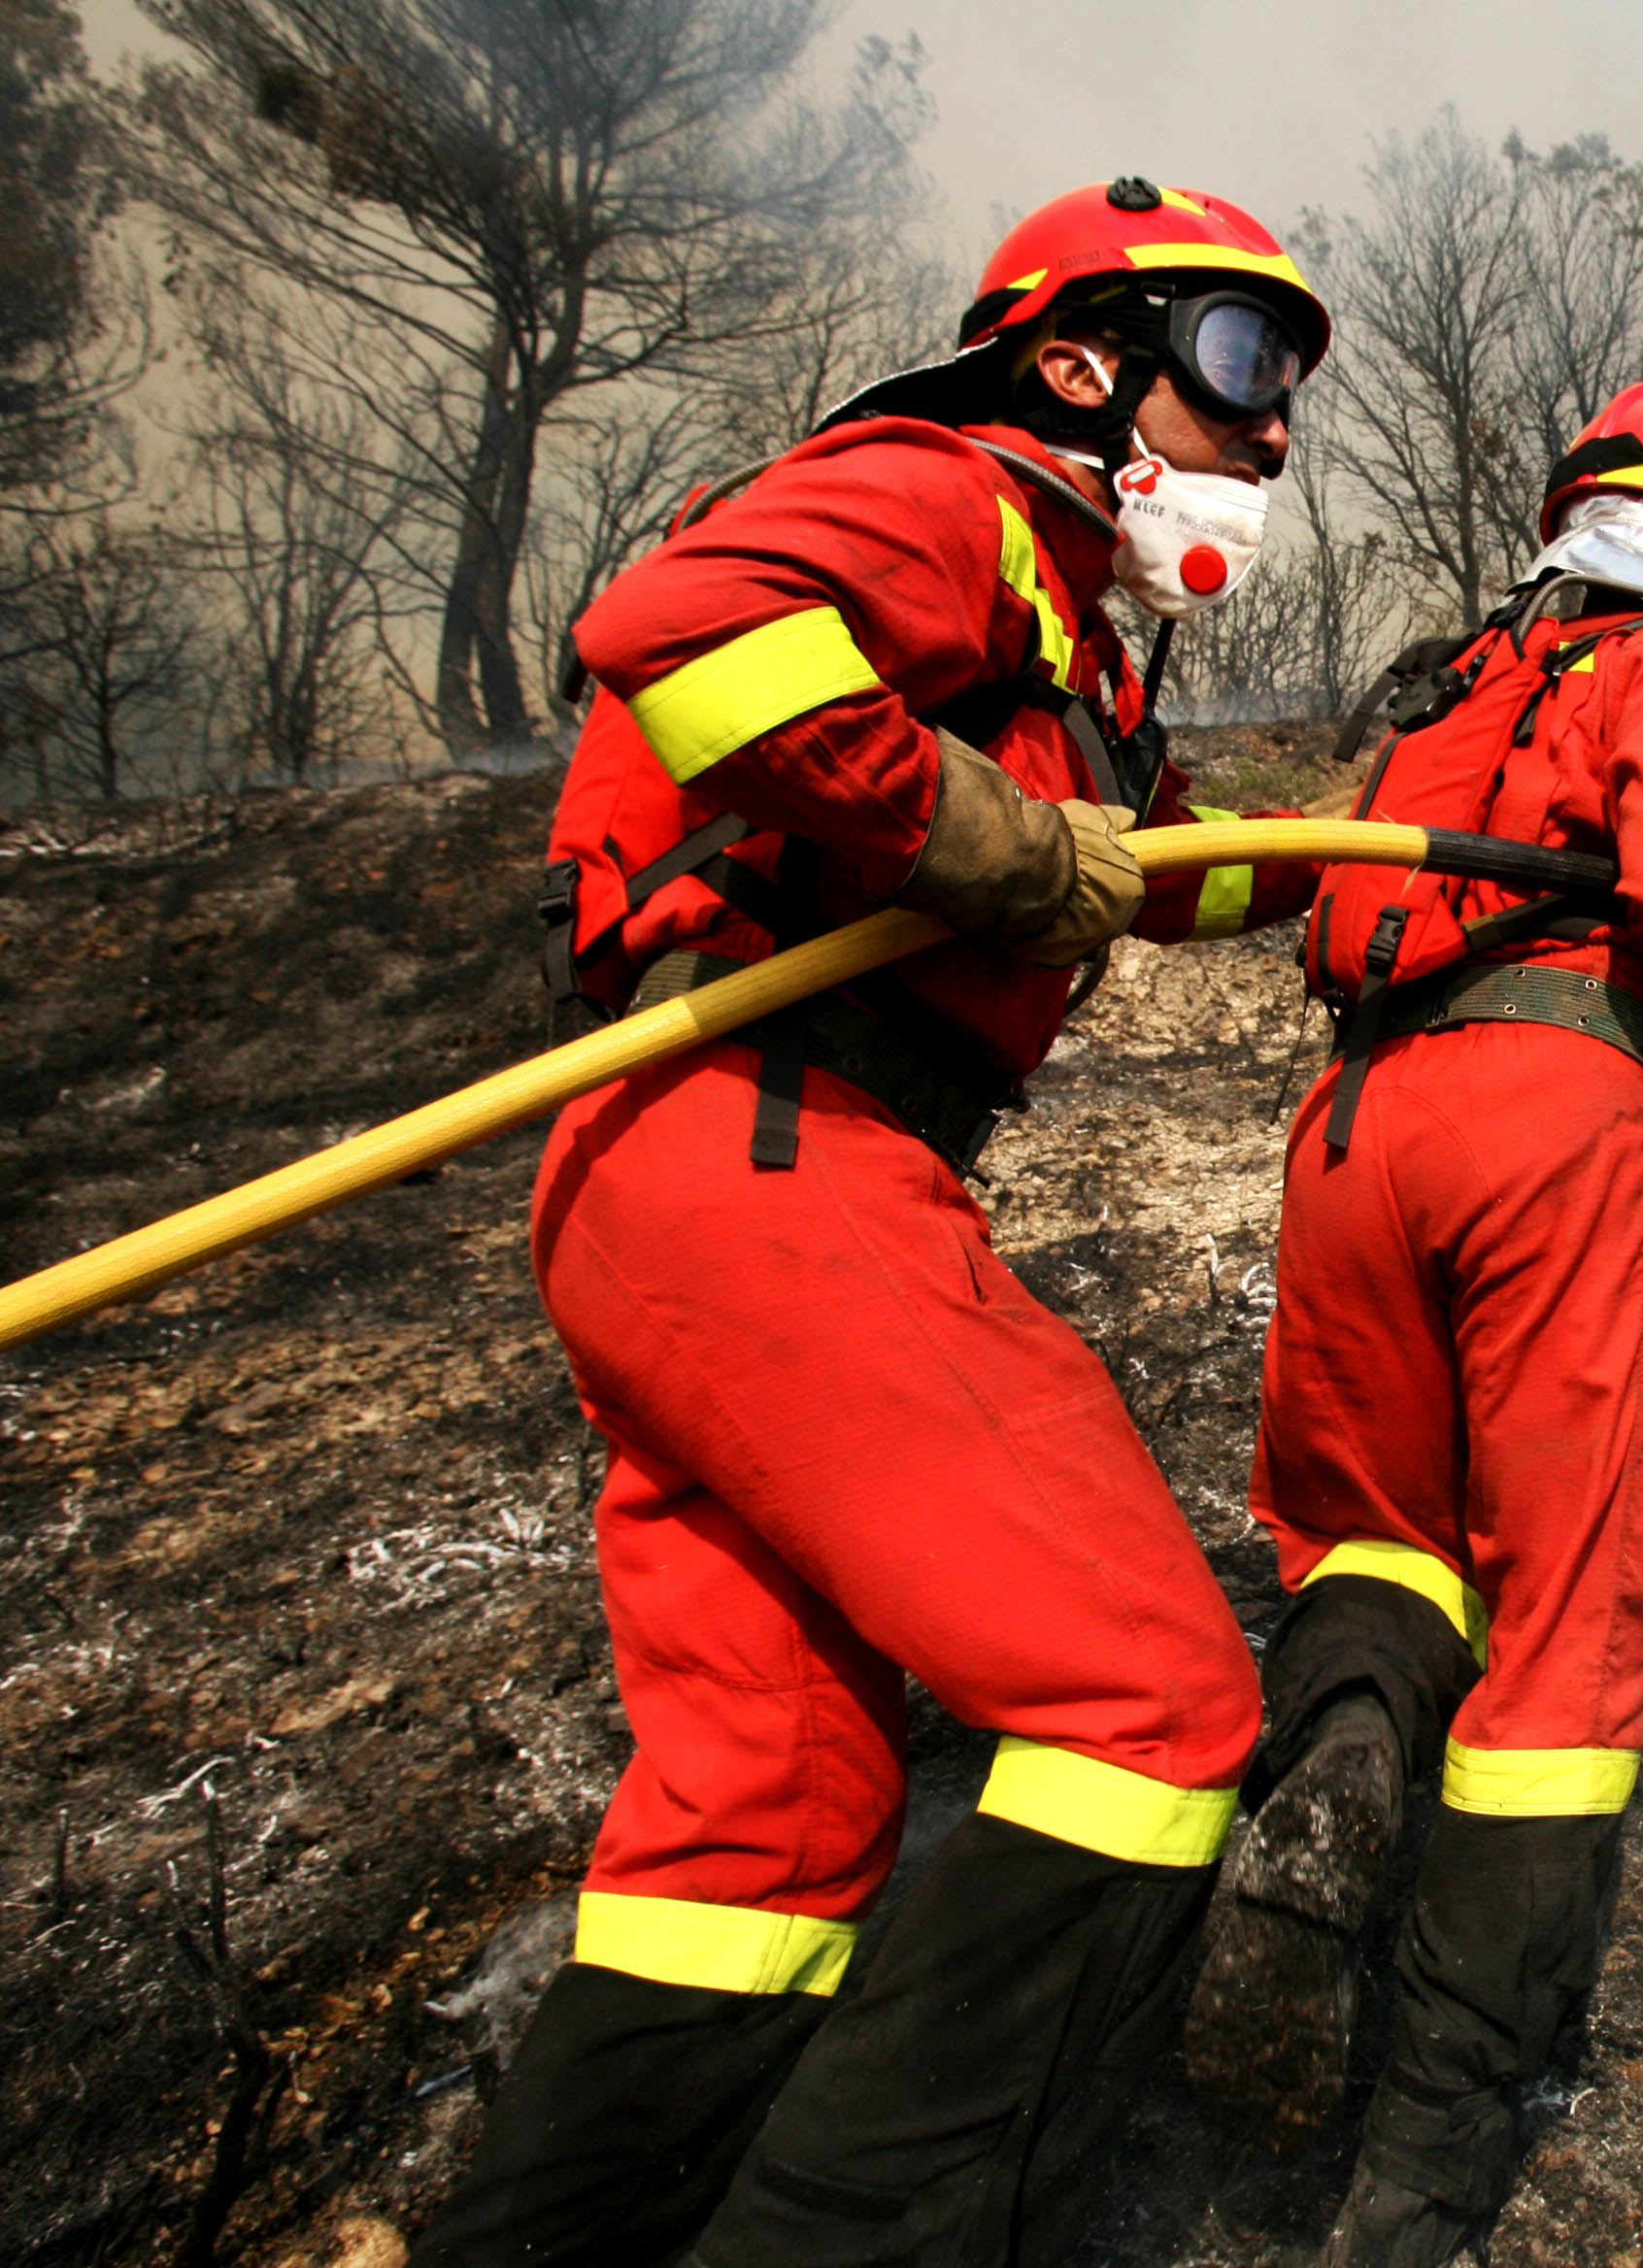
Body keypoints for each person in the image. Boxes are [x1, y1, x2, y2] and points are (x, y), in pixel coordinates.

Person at [414, 178, 1331, 2268]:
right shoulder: (953, 493)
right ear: (1079, 361)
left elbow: (1156, 867)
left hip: (681, 1186)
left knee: (769, 1825)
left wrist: (1413, 850)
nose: (1274, 427)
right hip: (775, 1151)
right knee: (1150, 1704)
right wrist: (995, 843)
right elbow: (678, 634)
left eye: (1293, 386)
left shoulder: (1061, 636)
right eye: (1241, 362)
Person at [1187, 383, 1643, 2268]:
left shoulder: (1464, 684)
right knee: (1568, 1624)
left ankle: (1344, 1754)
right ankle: (1433, 2146)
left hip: (1359, 1129)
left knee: (1374, 1532)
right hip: (1560, 1127)